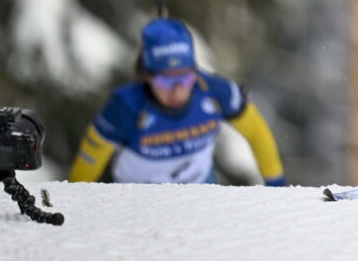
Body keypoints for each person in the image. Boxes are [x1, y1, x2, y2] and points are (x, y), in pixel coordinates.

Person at [68, 17, 287, 186]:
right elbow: (90, 159)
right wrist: (73, 203)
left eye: (185, 78)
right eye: (165, 81)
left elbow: (257, 133)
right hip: (137, 202)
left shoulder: (217, 92)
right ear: (148, 76)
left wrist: (276, 185)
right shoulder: (125, 106)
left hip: (201, 192)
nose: (177, 89)